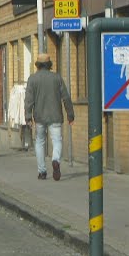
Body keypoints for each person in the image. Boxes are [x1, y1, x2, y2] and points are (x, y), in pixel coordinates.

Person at [24, 52, 75, 180]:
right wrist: (70, 115)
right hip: (55, 115)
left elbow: (28, 100)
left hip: (39, 116)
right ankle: (56, 159)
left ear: (37, 65)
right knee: (57, 140)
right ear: (49, 64)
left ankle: (42, 171)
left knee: (40, 142)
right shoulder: (57, 78)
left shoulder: (32, 79)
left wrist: (28, 116)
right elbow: (66, 98)